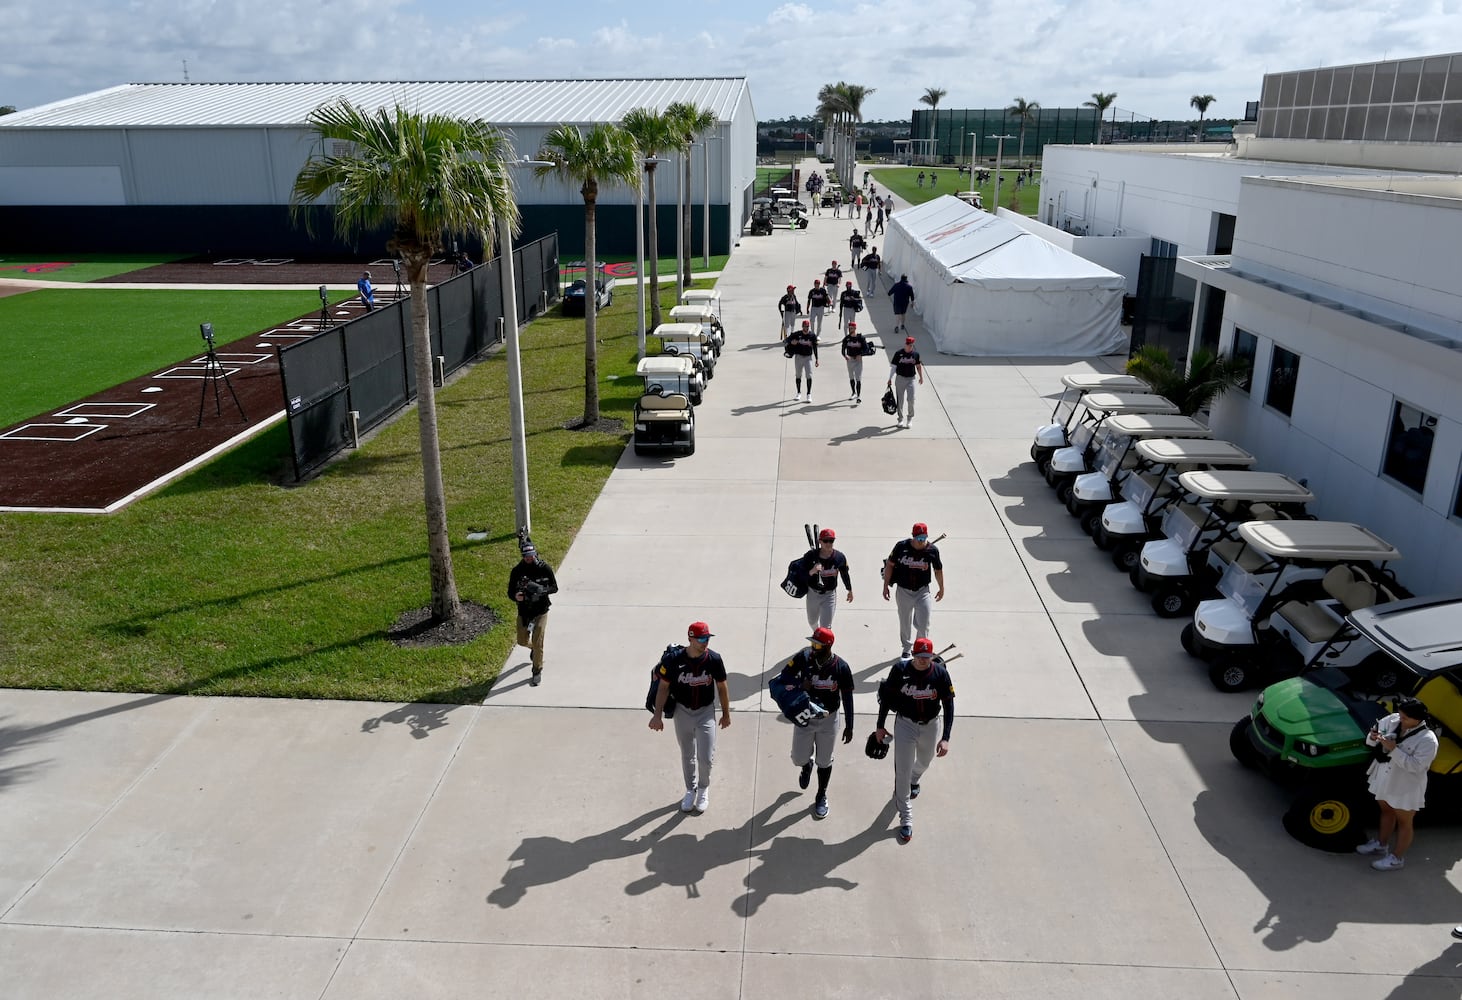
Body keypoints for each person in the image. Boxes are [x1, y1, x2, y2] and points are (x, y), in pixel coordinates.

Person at [875, 637, 955, 843]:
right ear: (913, 655)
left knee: (925, 761)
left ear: (931, 656)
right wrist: (880, 726)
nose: (922, 660)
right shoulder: (899, 671)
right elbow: (886, 699)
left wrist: (945, 737)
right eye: (919, 656)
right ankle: (906, 817)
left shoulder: (940, 674)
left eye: (926, 657)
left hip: (931, 725)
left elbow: (949, 706)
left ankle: (915, 778)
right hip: (904, 725)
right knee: (902, 771)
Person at [648, 621, 731, 814]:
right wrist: (657, 716)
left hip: (705, 713)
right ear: (690, 638)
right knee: (687, 755)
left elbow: (722, 688)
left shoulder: (714, 660)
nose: (705, 642)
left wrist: (726, 714)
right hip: (682, 712)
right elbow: (663, 688)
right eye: (701, 638)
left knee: (706, 758)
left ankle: (703, 788)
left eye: (707, 638)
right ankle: (690, 789)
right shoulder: (674, 660)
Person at [772, 626, 854, 819]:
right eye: (812, 642)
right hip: (805, 716)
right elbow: (783, 677)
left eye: (817, 644)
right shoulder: (803, 657)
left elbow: (848, 697)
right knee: (798, 758)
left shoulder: (841, 667)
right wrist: (801, 685)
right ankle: (806, 765)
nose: (813, 646)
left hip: (829, 718)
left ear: (828, 645)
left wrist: (850, 725)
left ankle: (821, 795)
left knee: (824, 761)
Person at [1356, 697, 1439, 871]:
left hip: (1405, 786)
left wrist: (1393, 749)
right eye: (1401, 715)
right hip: (1384, 777)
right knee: (1386, 811)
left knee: (1404, 822)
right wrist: (1372, 737)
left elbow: (1416, 766)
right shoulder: (1393, 719)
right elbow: (1371, 740)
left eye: (1405, 718)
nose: (1400, 719)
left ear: (1418, 719)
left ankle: (1397, 858)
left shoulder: (1428, 740)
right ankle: (1381, 844)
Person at [882, 522, 944, 656]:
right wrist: (885, 585)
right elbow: (890, 565)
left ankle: (920, 648)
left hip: (923, 591)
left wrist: (941, 588)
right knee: (905, 620)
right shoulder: (901, 547)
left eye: (924, 538)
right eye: (919, 538)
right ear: (913, 536)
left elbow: (938, 570)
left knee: (924, 623)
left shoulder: (932, 550)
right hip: (903, 591)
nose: (921, 541)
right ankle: (906, 648)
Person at [507, 543, 559, 686]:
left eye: (532, 555)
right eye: (526, 556)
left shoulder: (545, 568)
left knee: (538, 641)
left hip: (541, 610)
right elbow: (510, 592)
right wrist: (516, 596)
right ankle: (533, 649)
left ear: (535, 554)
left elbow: (555, 588)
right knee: (522, 641)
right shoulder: (517, 571)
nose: (530, 558)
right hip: (524, 611)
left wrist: (542, 590)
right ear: (523, 556)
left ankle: (537, 670)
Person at [802, 527, 853, 627]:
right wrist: (813, 571)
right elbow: (802, 575)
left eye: (831, 540)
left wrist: (849, 590)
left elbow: (845, 574)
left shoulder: (839, 557)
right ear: (820, 541)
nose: (829, 543)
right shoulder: (810, 556)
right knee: (812, 621)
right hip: (813, 593)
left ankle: (822, 641)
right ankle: (817, 638)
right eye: (826, 541)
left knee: (826, 626)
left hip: (829, 595)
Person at [887, 335, 923, 428]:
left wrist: (921, 377)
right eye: (908, 344)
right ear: (905, 344)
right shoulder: (898, 354)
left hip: (911, 379)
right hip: (900, 379)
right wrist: (890, 378)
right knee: (900, 400)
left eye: (911, 345)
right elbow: (893, 367)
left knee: (911, 399)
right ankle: (900, 419)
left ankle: (910, 418)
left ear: (912, 345)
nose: (909, 346)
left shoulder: (916, 354)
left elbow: (918, 366)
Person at [786, 318, 819, 402]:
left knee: (809, 375)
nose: (806, 328)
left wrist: (817, 359)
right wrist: (791, 342)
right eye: (805, 326)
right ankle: (798, 393)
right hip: (798, 357)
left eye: (807, 326)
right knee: (798, 375)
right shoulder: (797, 334)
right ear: (802, 327)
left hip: (808, 358)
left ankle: (808, 394)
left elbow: (815, 348)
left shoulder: (812, 336)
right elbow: (787, 340)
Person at [840, 319, 868, 403]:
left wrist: (861, 355)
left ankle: (859, 396)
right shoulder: (846, 339)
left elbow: (866, 349)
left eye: (852, 328)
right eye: (849, 328)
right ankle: (853, 393)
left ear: (855, 328)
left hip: (858, 361)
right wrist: (845, 356)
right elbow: (842, 350)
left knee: (858, 378)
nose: (850, 329)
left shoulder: (861, 338)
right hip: (850, 360)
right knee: (851, 377)